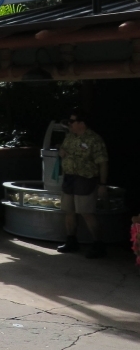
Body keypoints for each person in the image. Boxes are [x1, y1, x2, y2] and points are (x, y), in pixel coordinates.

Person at [58, 110, 110, 258]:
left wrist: (102, 184)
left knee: (86, 212)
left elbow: (103, 163)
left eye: (72, 122)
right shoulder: (69, 137)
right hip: (69, 178)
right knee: (69, 210)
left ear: (81, 123)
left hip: (85, 179)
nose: (69, 124)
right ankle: (71, 241)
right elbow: (64, 150)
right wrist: (61, 152)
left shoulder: (94, 140)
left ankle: (98, 244)